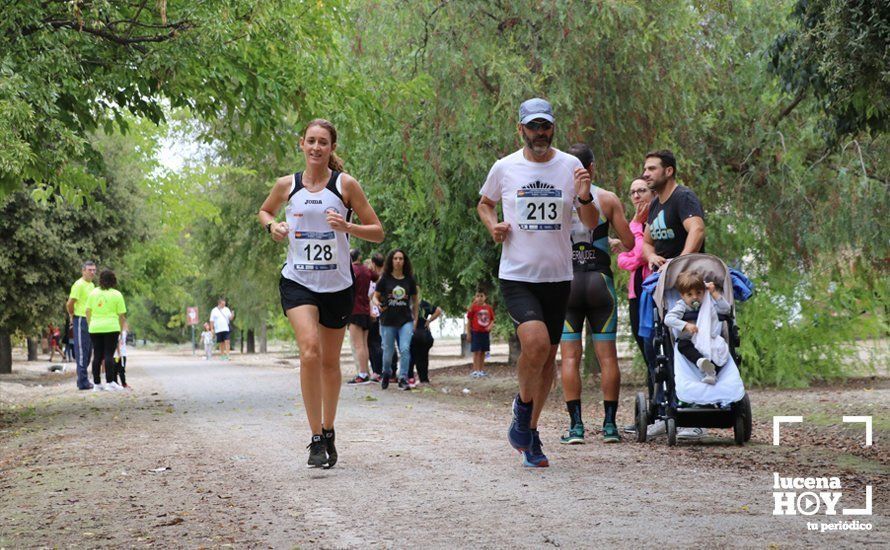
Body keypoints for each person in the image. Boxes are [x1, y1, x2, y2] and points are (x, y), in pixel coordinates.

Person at [477, 97, 599, 467]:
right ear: (521, 130)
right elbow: (484, 203)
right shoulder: (505, 167)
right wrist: (492, 224)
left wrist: (585, 194)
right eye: (533, 127)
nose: (540, 133)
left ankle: (529, 433)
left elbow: (591, 222)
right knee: (535, 343)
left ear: (553, 128)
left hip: (559, 276)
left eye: (545, 126)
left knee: (547, 358)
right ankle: (521, 410)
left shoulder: (571, 166)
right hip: (518, 274)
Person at [258, 118, 384, 468]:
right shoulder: (287, 185)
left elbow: (377, 232)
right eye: (311, 141)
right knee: (309, 350)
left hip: (337, 286)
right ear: (302, 144)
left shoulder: (345, 185)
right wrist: (273, 226)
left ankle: (329, 429)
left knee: (330, 362)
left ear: (331, 148)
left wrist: (349, 226)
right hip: (297, 281)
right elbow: (265, 210)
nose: (316, 147)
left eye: (323, 142)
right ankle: (315, 437)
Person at [558, 144, 634, 445]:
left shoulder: (559, 200)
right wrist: (612, 239)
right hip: (600, 282)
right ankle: (609, 427)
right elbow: (629, 242)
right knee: (607, 357)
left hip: (567, 284)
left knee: (569, 358)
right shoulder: (608, 199)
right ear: (592, 168)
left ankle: (576, 428)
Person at [640, 149, 707, 440]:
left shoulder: (683, 198)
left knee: (687, 345)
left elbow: (697, 229)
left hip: (686, 286)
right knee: (657, 348)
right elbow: (646, 241)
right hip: (661, 287)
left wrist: (680, 261)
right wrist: (652, 255)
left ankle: (694, 414)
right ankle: (665, 411)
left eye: (652, 169)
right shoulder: (656, 206)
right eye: (645, 169)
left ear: (668, 171)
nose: (646, 174)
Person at [614, 177, 655, 434]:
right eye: (632, 192)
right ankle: (653, 412)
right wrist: (629, 256)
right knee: (646, 352)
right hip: (635, 293)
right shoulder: (634, 223)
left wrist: (625, 255)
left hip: (651, 292)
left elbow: (638, 253)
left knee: (656, 351)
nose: (637, 196)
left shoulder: (654, 221)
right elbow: (628, 258)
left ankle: (664, 409)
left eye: (642, 190)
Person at [663, 271, 730, 384]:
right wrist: (685, 325)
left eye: (699, 293)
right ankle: (700, 361)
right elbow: (668, 319)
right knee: (682, 345)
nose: (695, 297)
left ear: (704, 292)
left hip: (708, 339)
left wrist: (714, 293)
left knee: (718, 349)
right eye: (689, 294)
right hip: (690, 340)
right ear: (682, 295)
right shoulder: (682, 306)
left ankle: (712, 373)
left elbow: (725, 310)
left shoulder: (708, 304)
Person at [373, 249, 419, 391]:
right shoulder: (384, 279)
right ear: (391, 261)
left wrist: (415, 319)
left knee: (405, 349)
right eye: (395, 258)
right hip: (387, 320)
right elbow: (375, 296)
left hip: (405, 320)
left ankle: (403, 378)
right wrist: (377, 304)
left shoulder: (409, 280)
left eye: (401, 258)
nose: (398, 261)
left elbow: (415, 302)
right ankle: (386, 372)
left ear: (404, 261)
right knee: (388, 351)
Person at [85, 269, 127, 392]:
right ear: (113, 280)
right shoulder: (117, 294)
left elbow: (87, 311)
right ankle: (110, 382)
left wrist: (90, 324)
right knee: (109, 354)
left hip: (95, 327)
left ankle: (97, 384)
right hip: (111, 327)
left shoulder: (93, 293)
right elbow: (121, 315)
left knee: (97, 355)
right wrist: (119, 329)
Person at [346, 249, 378, 385]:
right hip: (365, 308)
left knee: (358, 345)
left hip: (354, 309)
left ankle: (362, 373)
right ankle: (365, 372)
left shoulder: (351, 270)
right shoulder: (366, 270)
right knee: (364, 344)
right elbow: (376, 277)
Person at [66, 260, 96, 390]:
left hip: (91, 321)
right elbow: (70, 303)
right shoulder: (78, 285)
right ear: (83, 271)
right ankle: (83, 381)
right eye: (90, 270)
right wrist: (72, 315)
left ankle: (82, 379)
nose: (92, 272)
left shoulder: (92, 285)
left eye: (94, 270)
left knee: (89, 351)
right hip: (80, 319)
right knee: (81, 351)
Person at [408, 295, 442, 385]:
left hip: (415, 334)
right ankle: (424, 379)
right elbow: (438, 310)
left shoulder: (406, 303)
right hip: (424, 334)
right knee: (423, 357)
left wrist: (429, 320)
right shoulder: (423, 303)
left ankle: (410, 377)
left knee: (411, 356)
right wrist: (429, 320)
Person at [466, 289, 494, 378]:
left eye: (481, 296)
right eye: (477, 296)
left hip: (485, 333)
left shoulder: (489, 308)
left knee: (483, 352)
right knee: (476, 352)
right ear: (475, 297)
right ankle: (475, 370)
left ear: (485, 297)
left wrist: (490, 326)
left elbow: (492, 319)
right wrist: (468, 333)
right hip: (475, 333)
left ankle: (481, 370)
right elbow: (469, 321)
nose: (479, 298)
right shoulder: (473, 307)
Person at [366, 254, 385, 381]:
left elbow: (370, 296)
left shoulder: (375, 280)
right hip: (379, 313)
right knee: (377, 343)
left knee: (373, 343)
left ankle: (377, 371)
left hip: (374, 313)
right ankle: (381, 370)